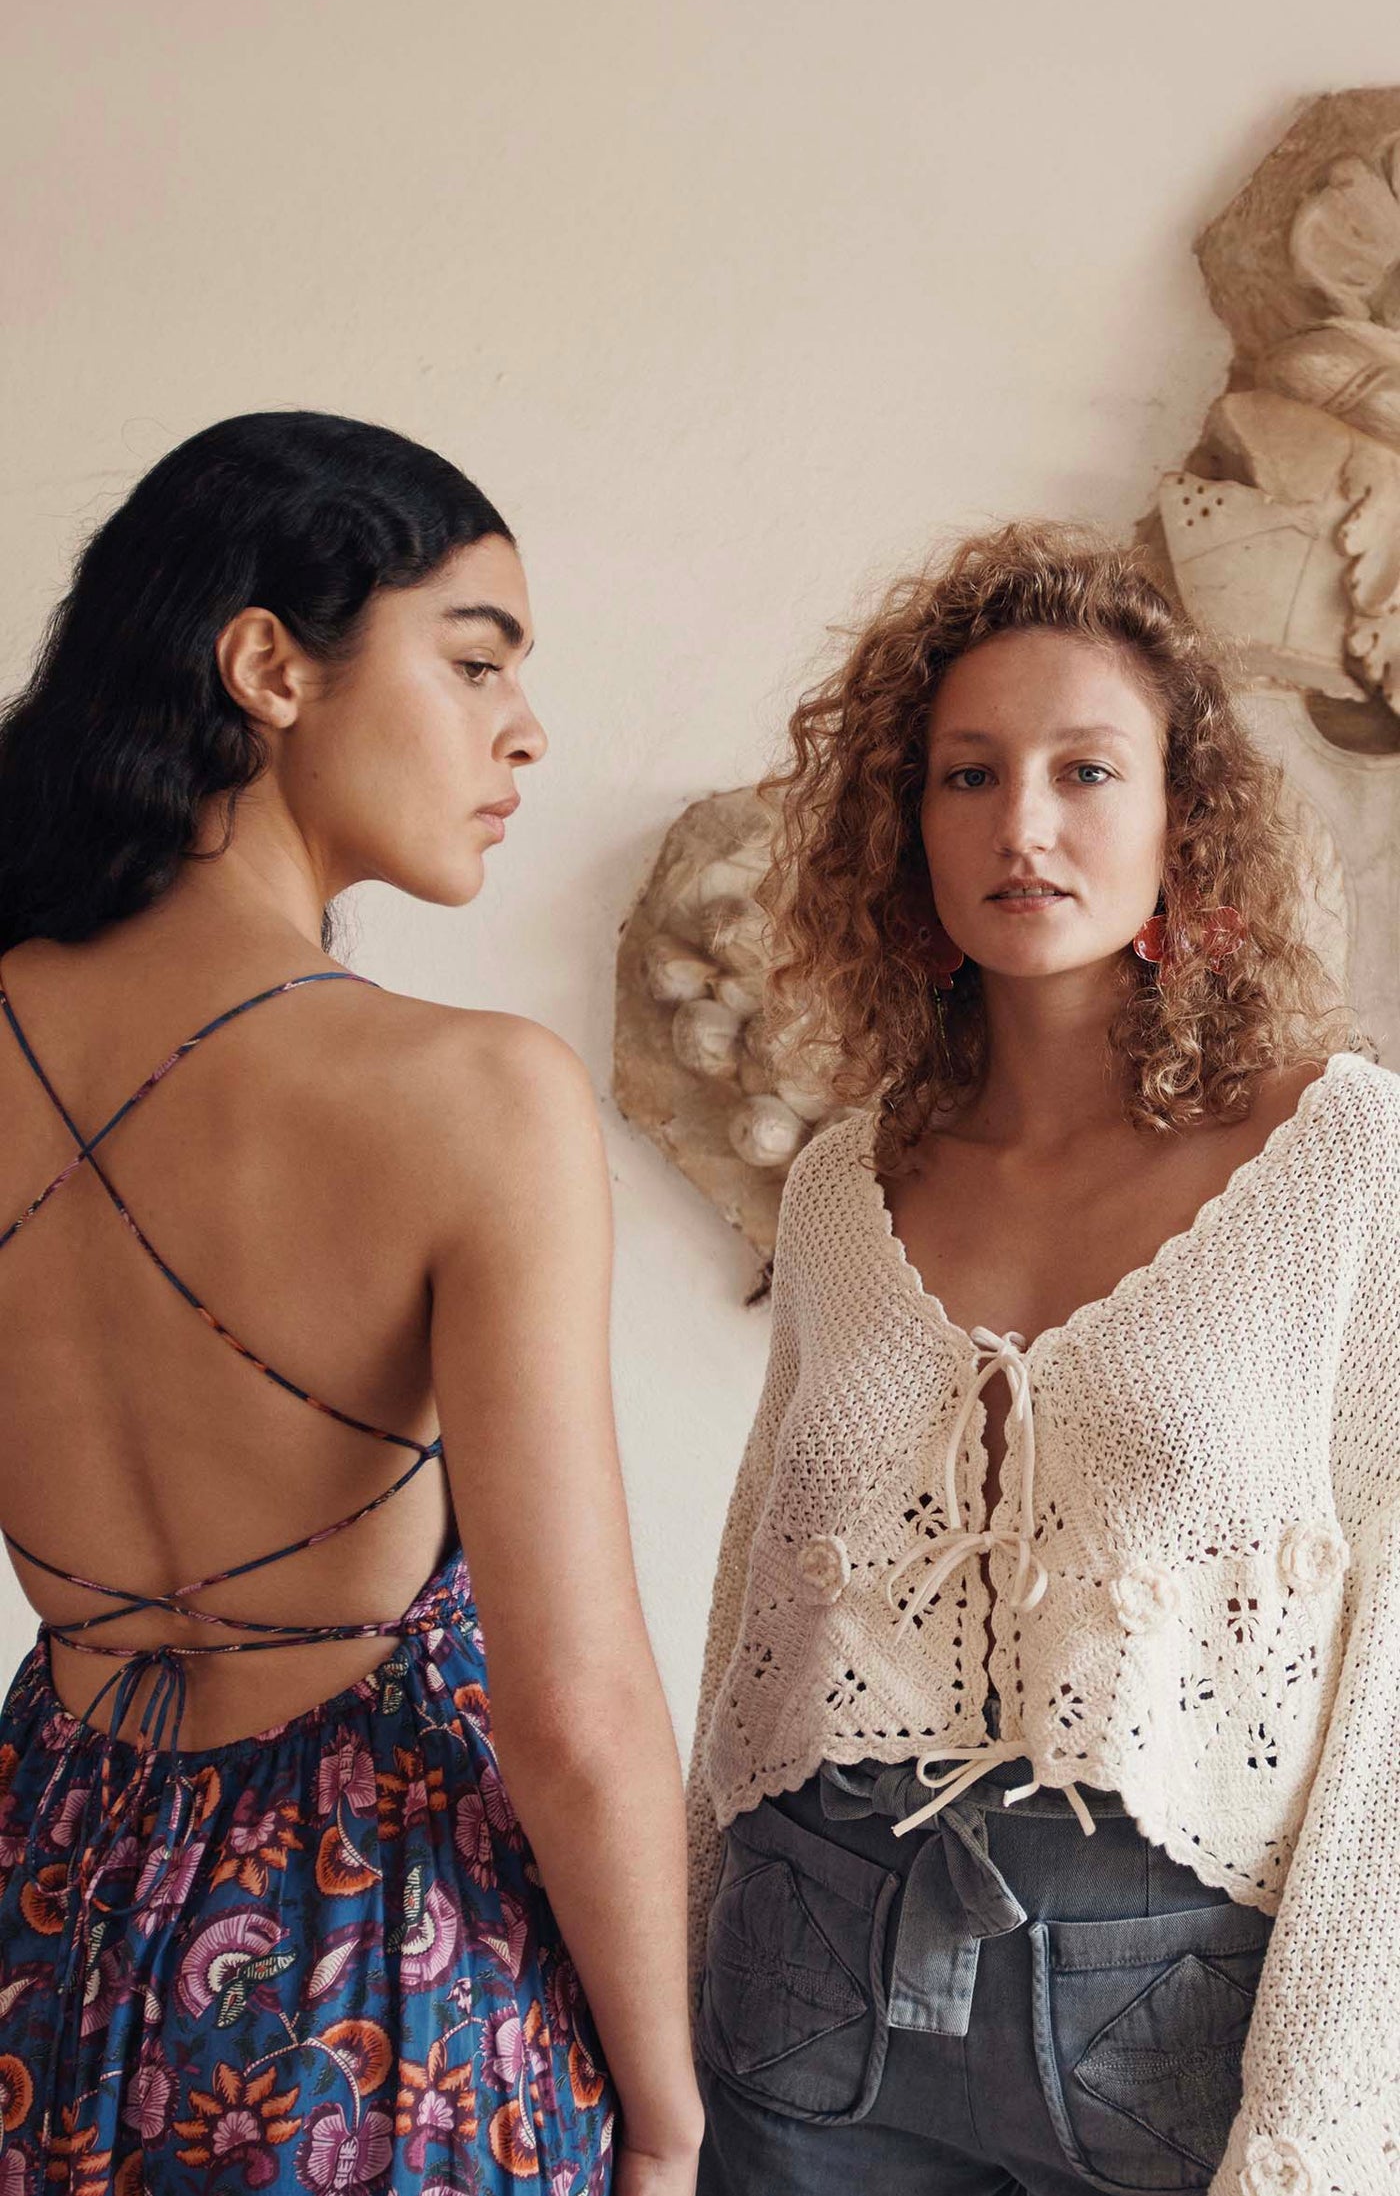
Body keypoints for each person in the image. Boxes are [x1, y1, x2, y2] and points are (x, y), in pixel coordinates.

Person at [0, 412, 703, 2196]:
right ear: (270, 667)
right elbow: (575, 1707)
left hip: (40, 1915)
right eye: (474, 661)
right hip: (372, 1975)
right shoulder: (475, 1097)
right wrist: (671, 2117)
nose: (523, 728)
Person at [687, 519, 1400, 2196]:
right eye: (968, 774)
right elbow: (748, 1622)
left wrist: (1321, 2108)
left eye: (1087, 769)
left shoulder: (1343, 1160)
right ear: (906, 825)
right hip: (807, 1974)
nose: (1023, 823)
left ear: (1180, 818)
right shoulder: (845, 1183)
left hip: (1172, 2007)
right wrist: (665, 1979)